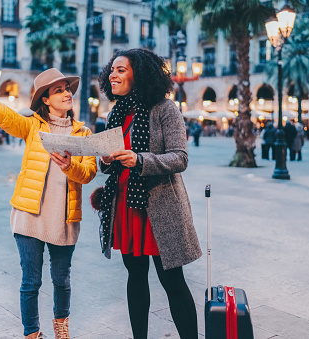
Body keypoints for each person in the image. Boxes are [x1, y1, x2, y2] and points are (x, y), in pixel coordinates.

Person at [0, 68, 97, 339]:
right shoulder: (32, 126)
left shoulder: (84, 134)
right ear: (45, 100)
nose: (67, 93)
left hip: (63, 219)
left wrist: (71, 166)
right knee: (30, 282)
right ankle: (32, 334)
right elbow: (2, 113)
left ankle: (61, 329)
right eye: (58, 90)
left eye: (67, 88)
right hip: (29, 215)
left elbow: (88, 173)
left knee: (62, 280)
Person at [97, 49, 201, 339]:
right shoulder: (116, 113)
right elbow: (111, 163)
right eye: (112, 70)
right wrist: (106, 160)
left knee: (173, 281)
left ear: (138, 74)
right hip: (126, 206)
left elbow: (179, 158)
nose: (112, 75)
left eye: (120, 70)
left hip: (158, 207)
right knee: (135, 276)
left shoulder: (165, 109)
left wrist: (140, 160)